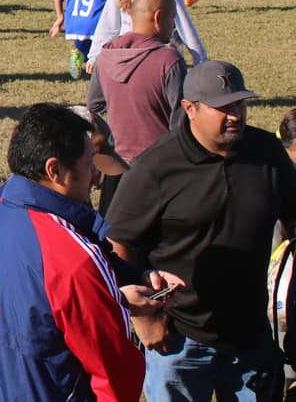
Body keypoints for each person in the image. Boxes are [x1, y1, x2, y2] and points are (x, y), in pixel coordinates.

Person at [106, 60, 296, 401]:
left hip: (249, 336)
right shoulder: (155, 168)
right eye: (223, 107)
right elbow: (118, 244)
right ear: (189, 109)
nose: (236, 114)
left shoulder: (267, 153)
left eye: (240, 103)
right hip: (179, 339)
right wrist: (144, 316)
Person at [0, 103, 167, 401]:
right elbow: (114, 374)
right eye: (89, 162)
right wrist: (116, 304)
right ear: (55, 170)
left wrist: (130, 280)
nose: (96, 176)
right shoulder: (72, 258)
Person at [86, 0, 185, 214]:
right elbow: (180, 125)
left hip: (116, 170)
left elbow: (94, 107)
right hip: (161, 172)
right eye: (172, 19)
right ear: (159, 18)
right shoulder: (168, 61)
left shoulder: (105, 57)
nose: (172, 27)